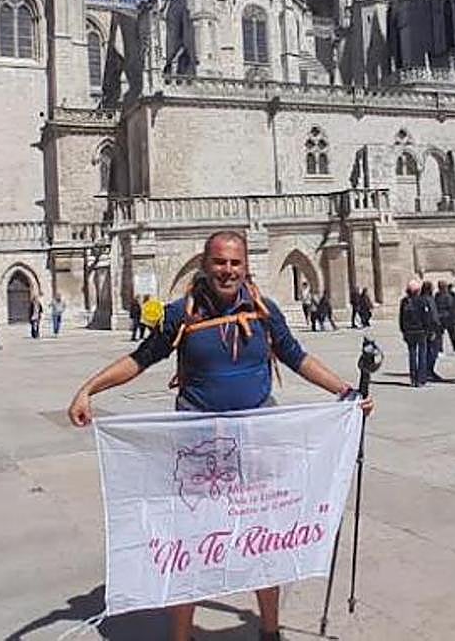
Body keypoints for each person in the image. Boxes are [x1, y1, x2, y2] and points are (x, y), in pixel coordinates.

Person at [66, 230, 374, 641]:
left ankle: (269, 631)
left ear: (245, 266)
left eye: (234, 263)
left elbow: (296, 357)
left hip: (258, 440)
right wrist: (90, 388)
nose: (227, 271)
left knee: (266, 540)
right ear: (204, 264)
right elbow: (140, 360)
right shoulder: (181, 314)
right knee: (189, 544)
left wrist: (345, 392)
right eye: (219, 262)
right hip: (198, 444)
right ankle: (181, 637)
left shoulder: (266, 311)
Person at [399, 280, 429, 387]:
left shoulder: (404, 302)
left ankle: (413, 378)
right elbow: (426, 317)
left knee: (412, 354)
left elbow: (401, 318)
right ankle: (421, 379)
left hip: (409, 332)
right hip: (420, 331)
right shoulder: (422, 301)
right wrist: (428, 329)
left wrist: (403, 331)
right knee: (422, 355)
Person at [420, 281, 445, 381]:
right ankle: (428, 371)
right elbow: (433, 315)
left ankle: (427, 370)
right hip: (432, 328)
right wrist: (436, 326)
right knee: (433, 350)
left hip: (425, 328)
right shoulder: (428, 300)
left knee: (428, 350)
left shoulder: (422, 299)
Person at [435, 280, 455, 352]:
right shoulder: (448, 296)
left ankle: (440, 350)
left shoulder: (437, 296)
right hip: (447, 317)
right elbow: (451, 306)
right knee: (451, 334)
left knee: (440, 335)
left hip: (441, 317)